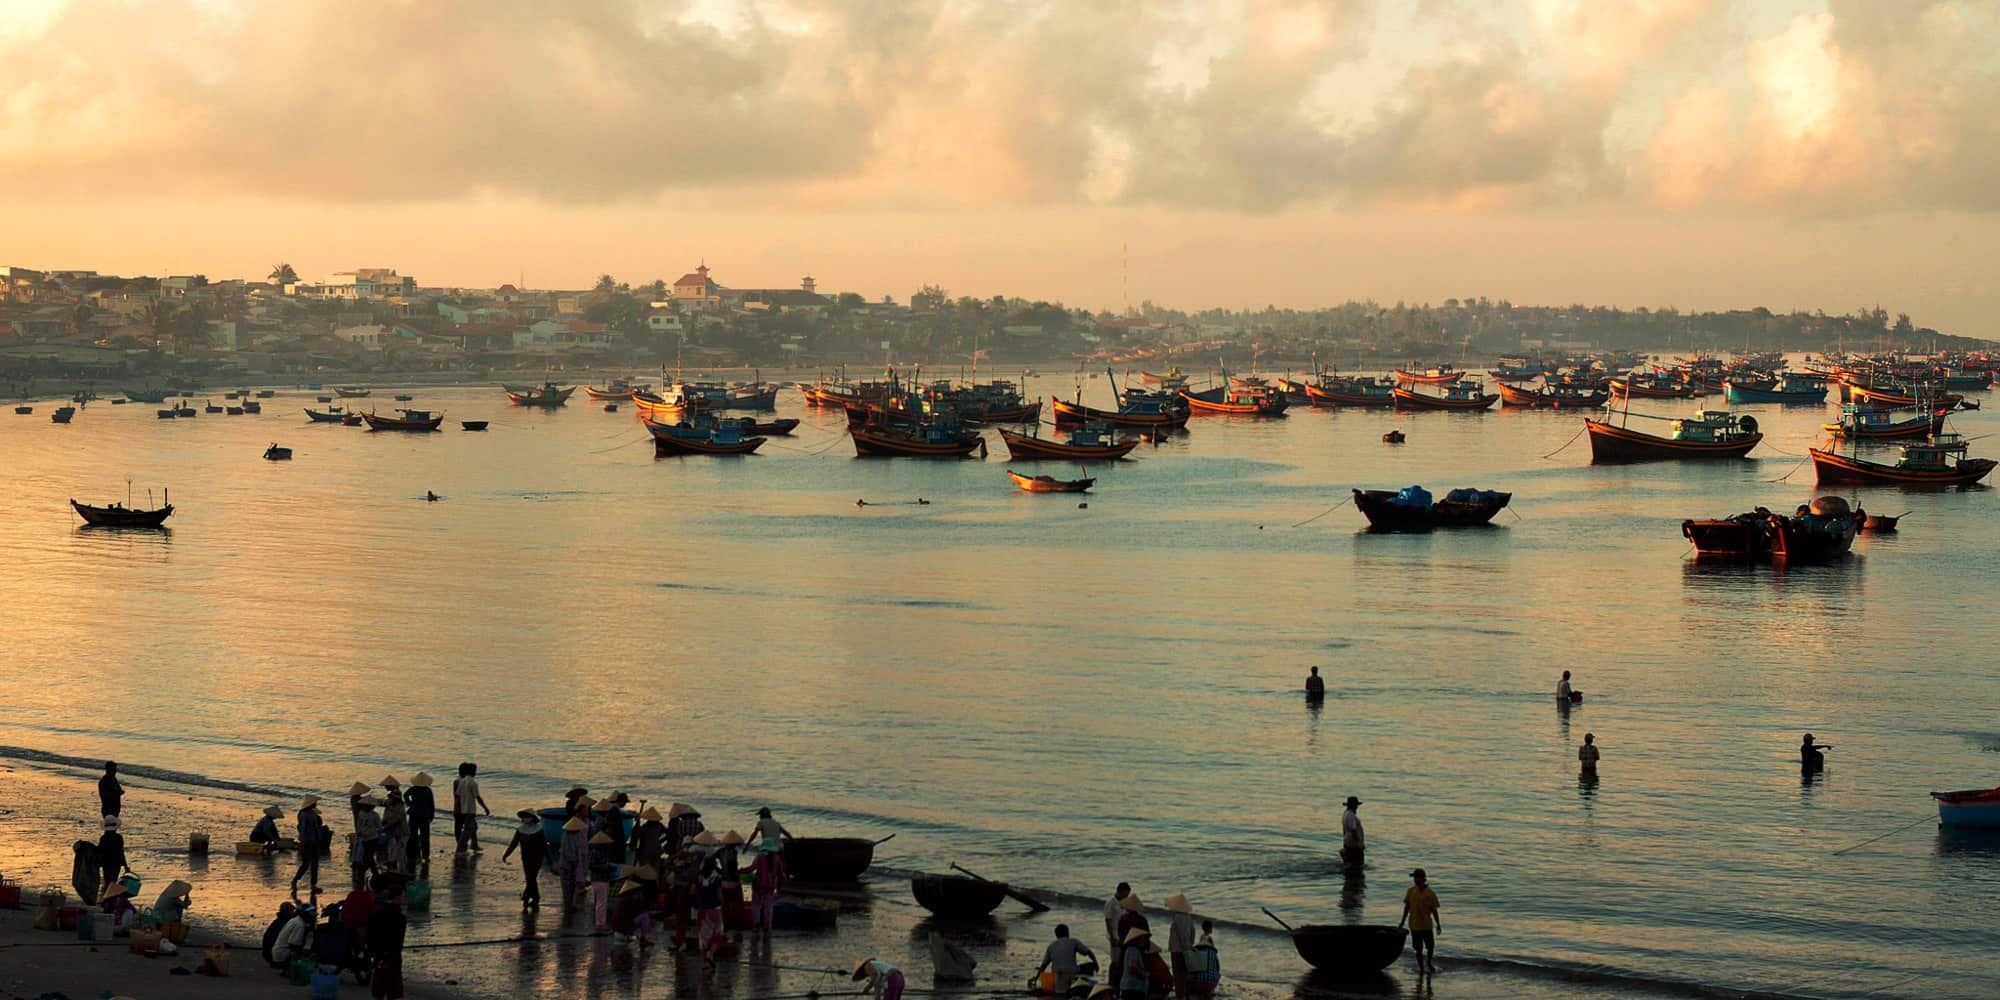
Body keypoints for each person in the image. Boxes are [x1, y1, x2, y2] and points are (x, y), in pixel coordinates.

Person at [1397, 868, 1441, 975]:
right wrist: (1402, 921)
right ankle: (1421, 968)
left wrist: (1438, 924)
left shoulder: (1430, 893)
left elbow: (1434, 910)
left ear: (1422, 878)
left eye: (1417, 877)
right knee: (1418, 949)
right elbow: (1407, 907)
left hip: (1426, 925)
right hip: (1414, 925)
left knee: (1430, 947)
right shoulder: (1411, 891)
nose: (1415, 880)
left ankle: (1429, 963)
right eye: (1414, 877)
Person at [367, 887, 407, 1000]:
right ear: (396, 898)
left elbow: (370, 936)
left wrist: (373, 951)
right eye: (401, 898)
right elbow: (399, 940)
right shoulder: (400, 918)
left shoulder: (375, 915)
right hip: (393, 955)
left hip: (379, 954)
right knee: (392, 989)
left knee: (379, 985)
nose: (402, 901)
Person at [501, 809, 547, 908]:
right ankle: (534, 897)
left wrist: (551, 863)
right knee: (530, 878)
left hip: (537, 858)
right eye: (524, 817)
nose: (525, 819)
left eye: (527, 817)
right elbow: (513, 843)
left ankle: (527, 897)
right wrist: (506, 855)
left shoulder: (539, 830)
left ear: (532, 818)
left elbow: (544, 846)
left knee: (531, 877)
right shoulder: (520, 830)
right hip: (526, 858)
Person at [1036, 924, 1096, 998]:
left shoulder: (1051, 946)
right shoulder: (1073, 941)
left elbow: (1044, 965)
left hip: (1058, 973)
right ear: (1068, 933)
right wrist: (1095, 963)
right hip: (1072, 971)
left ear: (1056, 935)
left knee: (1060, 994)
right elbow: (1088, 952)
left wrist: (1036, 978)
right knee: (1088, 966)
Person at [452, 762, 489, 854]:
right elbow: (477, 797)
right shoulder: (472, 782)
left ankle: (471, 845)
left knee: (469, 827)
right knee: (468, 829)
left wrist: (456, 808)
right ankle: (461, 848)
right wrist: (485, 807)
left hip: (461, 808)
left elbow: (457, 796)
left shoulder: (460, 781)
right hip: (468, 809)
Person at [696, 854, 726, 963]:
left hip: (702, 910)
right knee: (718, 935)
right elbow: (719, 895)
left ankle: (705, 962)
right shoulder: (717, 878)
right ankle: (711, 954)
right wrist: (723, 904)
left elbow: (694, 892)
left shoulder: (699, 877)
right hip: (715, 909)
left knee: (703, 938)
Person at [750, 838, 784, 934]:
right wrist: (779, 888)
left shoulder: (760, 857)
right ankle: (767, 927)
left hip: (758, 886)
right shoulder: (777, 859)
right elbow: (781, 875)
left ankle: (756, 925)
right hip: (770, 888)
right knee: (768, 908)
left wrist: (741, 871)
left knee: (756, 907)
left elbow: (751, 868)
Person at [292, 795, 326, 892]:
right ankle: (295, 880)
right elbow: (302, 829)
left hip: (315, 841)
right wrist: (302, 843)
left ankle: (313, 884)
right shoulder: (303, 814)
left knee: (315, 864)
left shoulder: (312, 813)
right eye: (314, 802)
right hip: (307, 842)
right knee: (306, 863)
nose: (316, 804)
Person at [558, 816, 590, 915]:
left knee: (571, 886)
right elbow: (569, 853)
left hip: (571, 865)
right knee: (567, 887)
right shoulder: (568, 837)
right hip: (567, 865)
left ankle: (570, 905)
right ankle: (568, 906)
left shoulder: (572, 836)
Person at [405, 772, 435, 874]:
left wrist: (410, 804)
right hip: (425, 816)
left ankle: (412, 855)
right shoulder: (428, 790)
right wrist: (432, 815)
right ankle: (425, 856)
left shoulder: (413, 789)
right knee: (425, 836)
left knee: (412, 835)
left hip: (414, 814)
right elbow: (431, 804)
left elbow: (405, 795)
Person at [352, 797, 384, 891]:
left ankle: (363, 873)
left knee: (367, 856)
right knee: (368, 857)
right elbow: (379, 827)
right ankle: (374, 874)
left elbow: (378, 827)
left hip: (368, 839)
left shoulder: (366, 814)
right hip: (368, 838)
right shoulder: (369, 815)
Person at [97, 815, 130, 904]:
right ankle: (110, 902)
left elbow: (100, 852)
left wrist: (97, 864)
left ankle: (107, 902)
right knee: (113, 882)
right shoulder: (118, 838)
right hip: (116, 863)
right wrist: (126, 865)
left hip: (106, 863)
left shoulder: (104, 838)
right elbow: (121, 852)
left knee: (107, 881)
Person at [588, 830, 616, 932]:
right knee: (601, 903)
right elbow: (592, 866)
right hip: (600, 879)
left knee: (600, 902)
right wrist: (606, 867)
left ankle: (600, 922)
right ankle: (600, 924)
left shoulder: (595, 852)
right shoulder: (598, 853)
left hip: (597, 879)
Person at [272, 901, 314, 966]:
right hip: (282, 956)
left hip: (277, 953)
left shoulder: (295, 920)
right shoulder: (300, 924)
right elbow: (293, 945)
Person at [380, 777, 408, 872]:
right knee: (393, 848)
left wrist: (386, 826)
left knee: (401, 851)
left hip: (400, 831)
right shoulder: (392, 803)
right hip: (394, 830)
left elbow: (397, 819)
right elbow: (384, 803)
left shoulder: (398, 806)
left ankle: (401, 870)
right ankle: (393, 863)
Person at [154, 879, 193, 945]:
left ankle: (174, 927)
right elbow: (184, 905)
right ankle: (176, 928)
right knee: (179, 908)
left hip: (156, 914)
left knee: (176, 908)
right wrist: (188, 901)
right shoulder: (173, 898)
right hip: (162, 916)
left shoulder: (165, 895)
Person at [262, 901, 298, 967]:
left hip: (269, 954)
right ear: (287, 912)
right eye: (292, 911)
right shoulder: (284, 923)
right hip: (273, 955)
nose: (293, 913)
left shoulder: (278, 921)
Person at [1118, 929, 1151, 1000]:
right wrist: (1144, 975)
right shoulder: (1133, 950)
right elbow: (1132, 966)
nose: (1145, 940)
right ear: (1137, 939)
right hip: (1133, 988)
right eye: (1143, 938)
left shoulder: (1131, 950)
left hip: (1130, 988)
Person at [1103, 883, 1131, 961]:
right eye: (1126, 894)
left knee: (1123, 956)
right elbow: (1108, 921)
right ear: (1121, 892)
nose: (1127, 896)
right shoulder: (1111, 903)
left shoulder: (1124, 902)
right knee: (1115, 958)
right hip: (1114, 934)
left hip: (1123, 934)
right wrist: (1112, 937)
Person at [1340, 796, 1364, 872]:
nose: (1357, 807)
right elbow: (1353, 830)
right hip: (1354, 846)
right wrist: (1359, 843)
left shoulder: (1345, 814)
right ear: (1353, 806)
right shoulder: (1351, 816)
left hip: (1348, 843)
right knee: (1356, 866)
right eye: (1356, 805)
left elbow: (1344, 830)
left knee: (1349, 865)